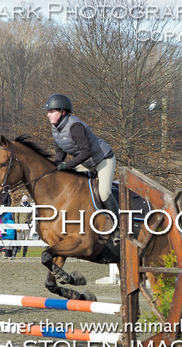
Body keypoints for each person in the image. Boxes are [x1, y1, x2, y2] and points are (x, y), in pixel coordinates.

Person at [44, 93, 119, 244]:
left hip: (102, 159)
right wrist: (57, 166)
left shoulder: (75, 126)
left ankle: (117, 228)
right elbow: (60, 151)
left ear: (63, 112)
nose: (48, 115)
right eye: (48, 111)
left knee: (104, 193)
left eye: (52, 111)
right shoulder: (55, 128)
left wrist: (68, 165)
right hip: (86, 161)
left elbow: (86, 151)